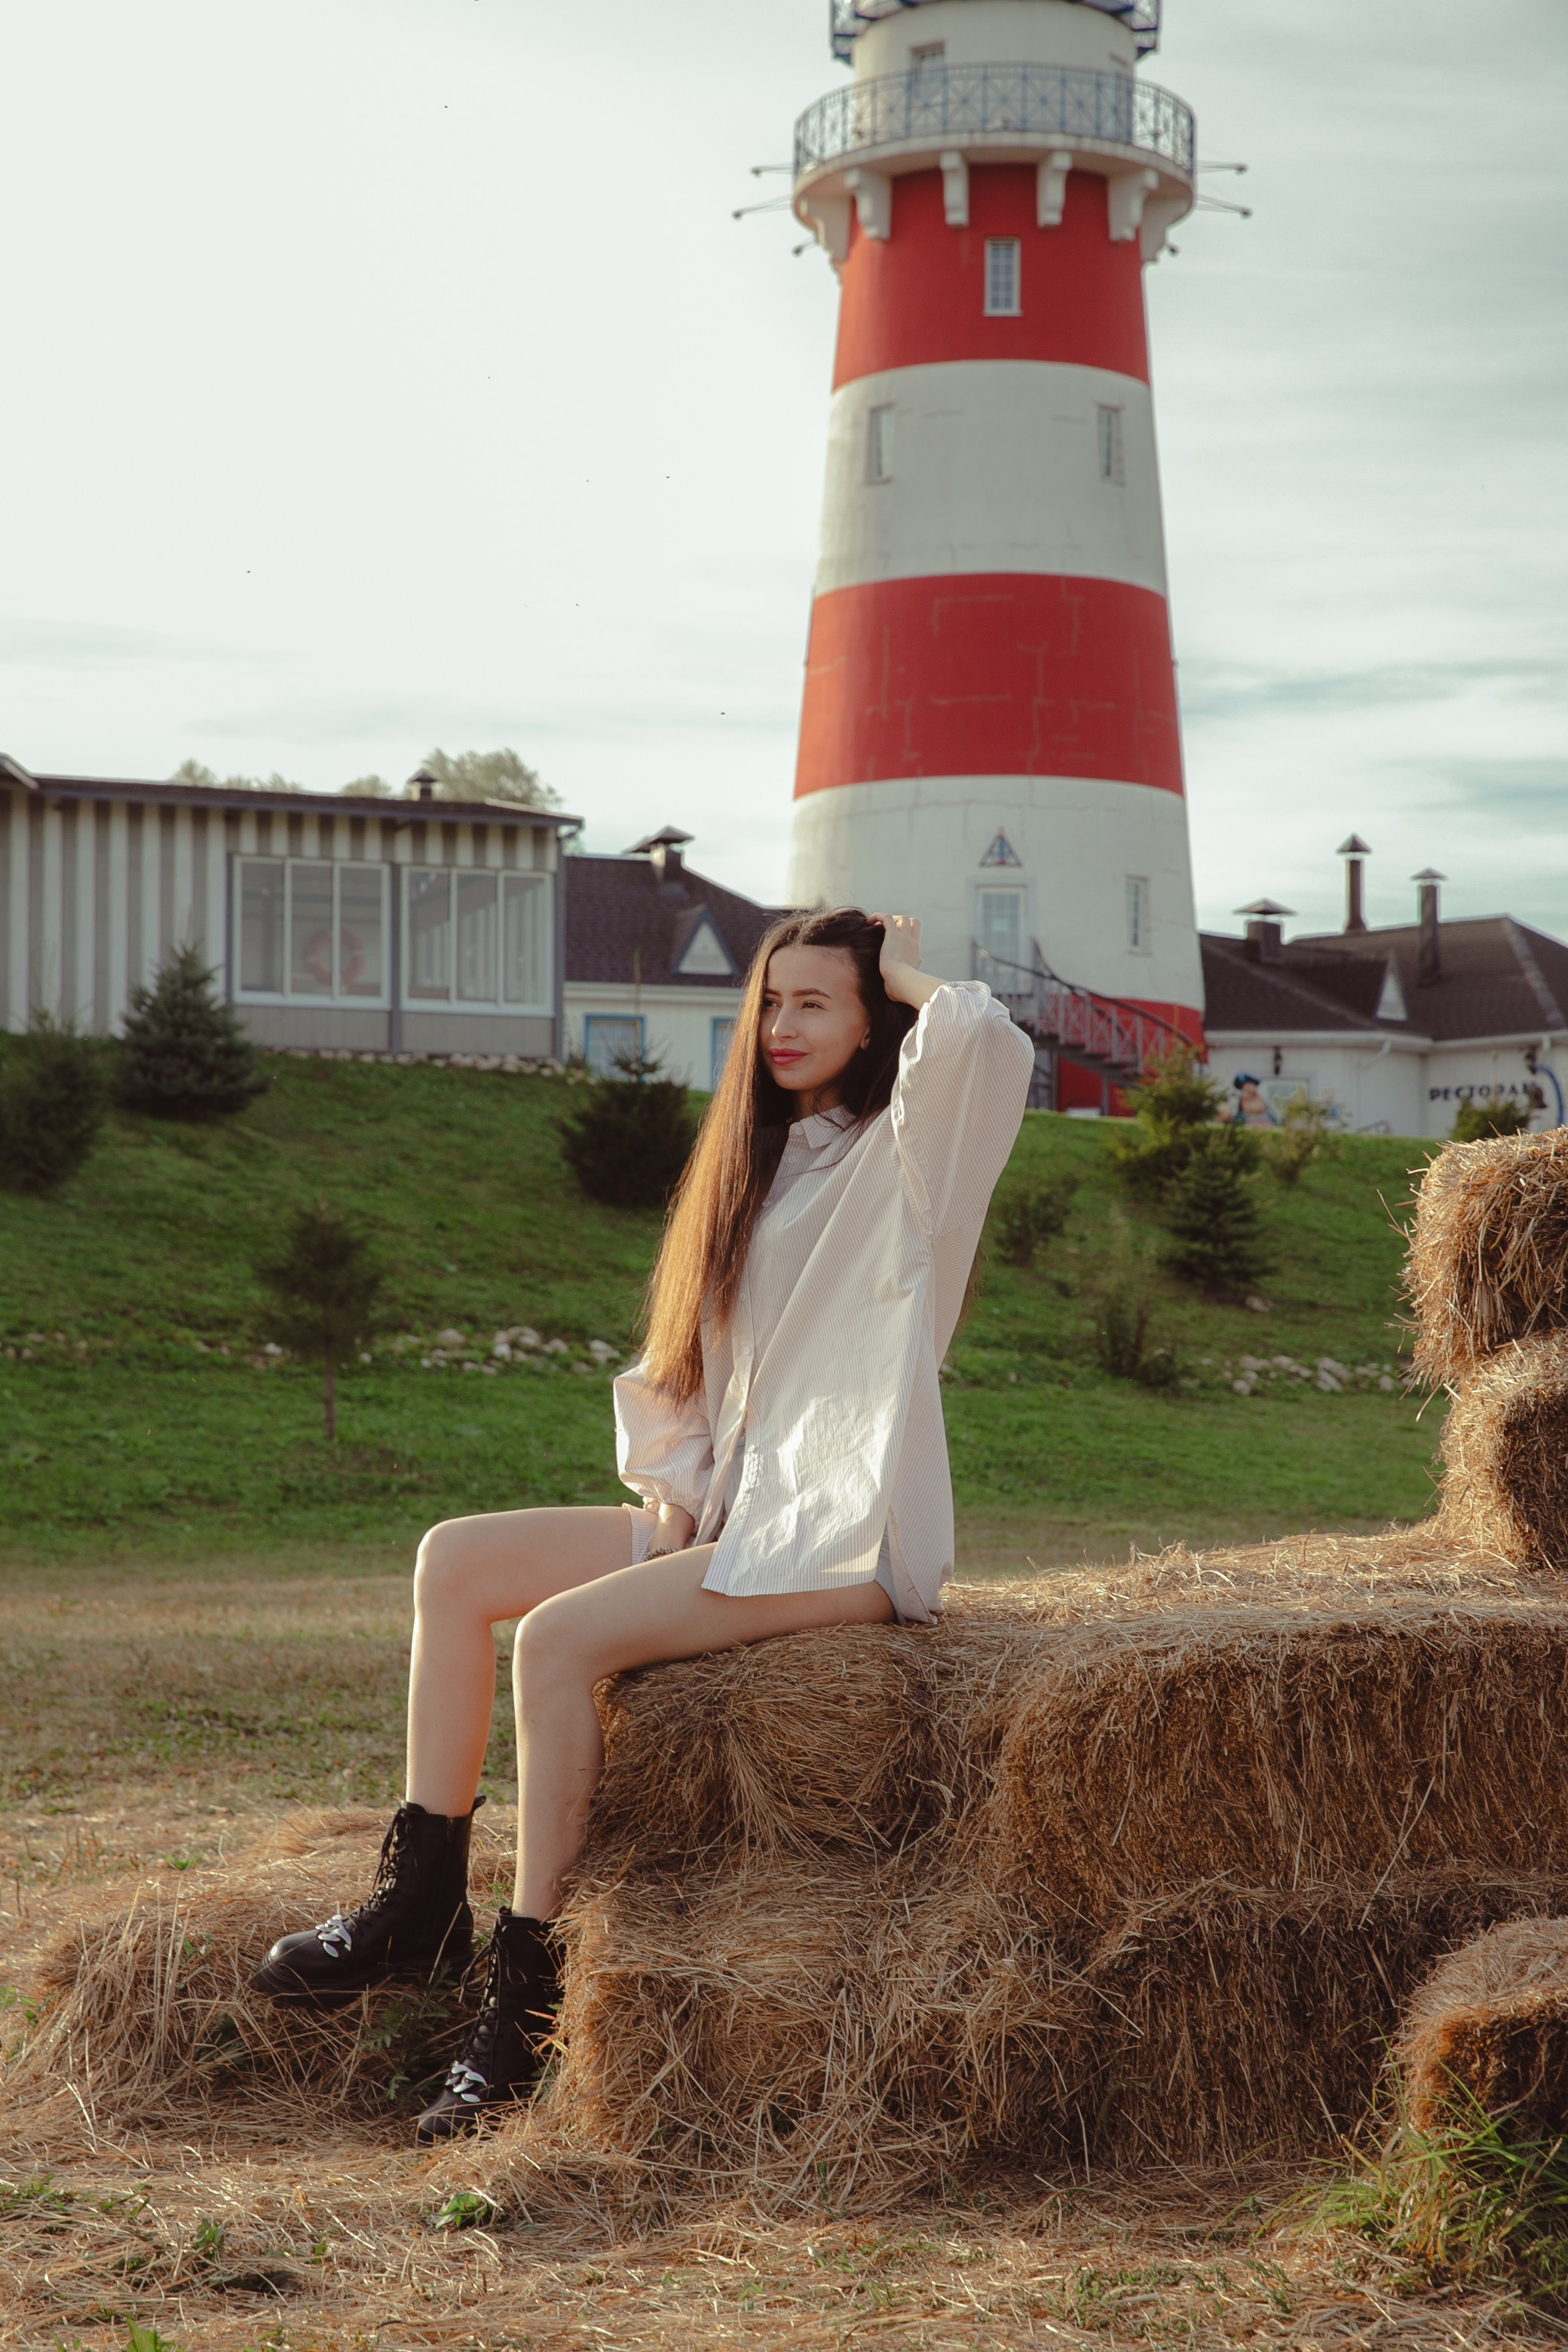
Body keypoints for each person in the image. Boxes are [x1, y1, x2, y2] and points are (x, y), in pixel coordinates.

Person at [253, 908, 1035, 2141]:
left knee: (557, 1641)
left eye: (816, 1003)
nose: (781, 1027)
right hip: (733, 1515)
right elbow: (700, 1369)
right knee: (454, 1561)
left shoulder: (908, 1160)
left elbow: (987, 1042)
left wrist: (899, 971)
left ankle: (528, 1994)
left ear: (874, 1020)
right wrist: (677, 1488)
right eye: (770, 1003)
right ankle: (420, 1906)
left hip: (846, 1538)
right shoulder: (757, 1164)